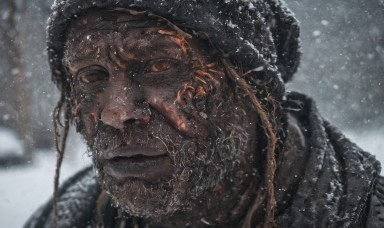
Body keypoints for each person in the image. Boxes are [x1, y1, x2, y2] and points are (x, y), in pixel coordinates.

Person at [25, 0, 384, 227]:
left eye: (159, 65)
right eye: (91, 76)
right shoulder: (67, 217)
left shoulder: (366, 211)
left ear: (252, 87)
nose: (116, 112)